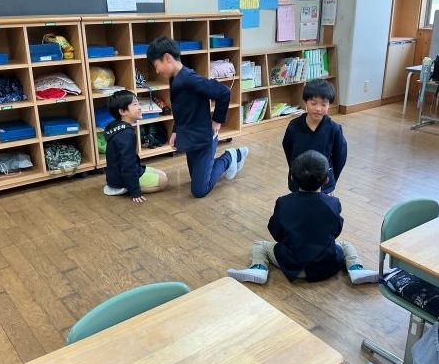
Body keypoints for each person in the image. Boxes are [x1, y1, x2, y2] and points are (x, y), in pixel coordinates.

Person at [227, 150, 377, 285]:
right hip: (325, 265)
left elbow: (276, 233)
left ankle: (258, 268)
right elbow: (336, 231)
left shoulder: (283, 202)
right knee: (346, 245)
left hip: (291, 264)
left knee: (260, 245)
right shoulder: (333, 203)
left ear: (292, 177)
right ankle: (356, 269)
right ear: (326, 180)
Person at [146, 36, 248, 198]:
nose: (157, 71)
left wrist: (217, 121)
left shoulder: (189, 79)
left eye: (156, 65)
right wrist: (175, 131)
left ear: (167, 58)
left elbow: (223, 92)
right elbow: (180, 109)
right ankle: (220, 162)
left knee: (199, 190)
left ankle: (230, 156)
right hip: (191, 138)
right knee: (197, 179)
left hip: (204, 138)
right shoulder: (174, 78)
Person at [282, 79, 347, 194]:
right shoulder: (294, 127)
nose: (318, 108)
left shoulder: (334, 129)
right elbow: (289, 151)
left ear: (329, 104)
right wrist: (295, 171)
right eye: (313, 103)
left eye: (323, 104)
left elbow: (340, 157)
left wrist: (331, 178)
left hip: (324, 185)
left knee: (323, 205)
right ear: (305, 102)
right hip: (299, 183)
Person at [103, 90, 168, 203]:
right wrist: (135, 191)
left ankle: (129, 183)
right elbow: (127, 165)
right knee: (164, 181)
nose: (139, 107)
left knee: (162, 174)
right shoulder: (126, 134)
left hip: (117, 175)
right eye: (135, 104)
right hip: (121, 179)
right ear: (122, 111)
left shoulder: (116, 126)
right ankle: (127, 187)